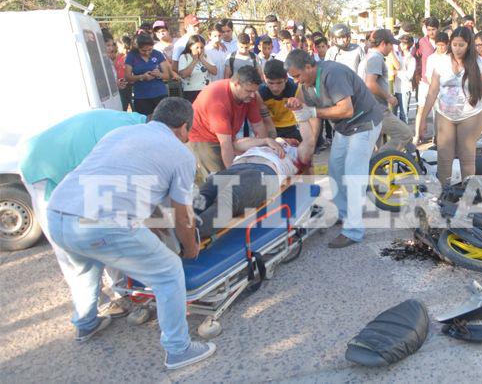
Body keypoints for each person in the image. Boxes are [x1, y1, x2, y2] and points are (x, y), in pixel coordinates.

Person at [45, 98, 216, 369]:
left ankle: (86, 324)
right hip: (102, 222)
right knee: (169, 272)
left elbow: (119, 180)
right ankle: (179, 349)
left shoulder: (121, 134)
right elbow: (182, 215)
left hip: (57, 213)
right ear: (184, 127)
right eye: (188, 131)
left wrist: (147, 218)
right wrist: (190, 248)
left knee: (86, 267)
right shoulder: (180, 153)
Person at [18, 110, 147, 319]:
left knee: (105, 229)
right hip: (41, 167)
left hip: (65, 160)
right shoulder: (127, 137)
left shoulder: (136, 122)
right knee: (67, 245)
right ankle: (88, 313)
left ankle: (121, 289)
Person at [284, 49, 384, 248]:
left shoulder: (333, 73)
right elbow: (314, 118)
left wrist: (311, 111)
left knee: (353, 174)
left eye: (297, 76)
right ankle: (345, 214)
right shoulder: (307, 85)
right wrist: (309, 140)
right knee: (336, 169)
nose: (296, 81)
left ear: (309, 66)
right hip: (344, 128)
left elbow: (346, 109)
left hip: (364, 122)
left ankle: (353, 231)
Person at [194, 119, 319, 238]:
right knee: (202, 197)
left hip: (262, 172)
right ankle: (180, 231)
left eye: (295, 141)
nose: (290, 140)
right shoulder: (263, 145)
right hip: (234, 169)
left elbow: (309, 142)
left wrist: (300, 114)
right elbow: (236, 144)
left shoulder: (294, 153)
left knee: (228, 198)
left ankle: (190, 236)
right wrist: (266, 141)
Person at [417, 27, 482, 185]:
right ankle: (444, 193)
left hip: (471, 115)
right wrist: (422, 120)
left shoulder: (479, 63)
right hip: (445, 115)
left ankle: (467, 194)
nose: (457, 49)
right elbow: (432, 92)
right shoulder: (441, 62)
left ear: (468, 45)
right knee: (444, 157)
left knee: (467, 158)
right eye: (454, 44)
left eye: (461, 45)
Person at [188, 66, 268, 177]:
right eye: (249, 91)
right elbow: (225, 144)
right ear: (236, 84)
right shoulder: (218, 101)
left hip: (227, 136)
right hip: (202, 137)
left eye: (255, 91)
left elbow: (258, 125)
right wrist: (232, 174)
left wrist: (266, 150)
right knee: (219, 180)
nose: (253, 95)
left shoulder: (250, 95)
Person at [357, 29, 413, 152]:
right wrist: (388, 97)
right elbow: (370, 84)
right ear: (383, 44)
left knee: (373, 146)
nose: (392, 48)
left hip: (368, 109)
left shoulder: (368, 57)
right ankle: (378, 161)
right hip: (376, 109)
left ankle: (375, 166)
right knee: (405, 134)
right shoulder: (375, 58)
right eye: (390, 45)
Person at [124, 33, 170, 117]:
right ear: (137, 48)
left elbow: (167, 75)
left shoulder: (158, 54)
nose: (147, 53)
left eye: (150, 49)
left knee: (163, 119)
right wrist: (142, 77)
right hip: (141, 96)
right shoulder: (132, 56)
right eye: (143, 51)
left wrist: (158, 74)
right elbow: (127, 77)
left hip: (159, 93)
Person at [415, 31, 449, 142]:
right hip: (436, 92)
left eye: (442, 45)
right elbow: (429, 76)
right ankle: (437, 137)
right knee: (437, 116)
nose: (440, 48)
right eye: (438, 45)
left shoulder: (451, 57)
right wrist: (436, 89)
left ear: (447, 44)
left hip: (450, 93)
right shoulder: (431, 58)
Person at [260, 59, 302, 141]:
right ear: (264, 78)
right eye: (271, 83)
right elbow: (265, 121)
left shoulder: (296, 89)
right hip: (270, 126)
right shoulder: (260, 93)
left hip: (292, 127)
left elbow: (305, 112)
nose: (275, 88)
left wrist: (298, 103)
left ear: (286, 78)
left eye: (279, 83)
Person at [414, 17, 440, 141]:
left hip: (439, 82)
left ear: (438, 29)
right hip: (424, 81)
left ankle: (437, 136)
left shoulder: (443, 41)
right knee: (421, 108)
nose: (431, 32)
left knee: (437, 110)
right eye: (428, 30)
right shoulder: (422, 42)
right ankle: (417, 135)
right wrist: (417, 74)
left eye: (433, 29)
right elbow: (415, 57)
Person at [178, 35, 217, 103]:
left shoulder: (205, 56)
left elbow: (214, 71)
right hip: (191, 92)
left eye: (202, 47)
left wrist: (202, 60)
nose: (200, 50)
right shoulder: (184, 57)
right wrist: (195, 60)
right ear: (190, 47)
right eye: (197, 48)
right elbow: (183, 75)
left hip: (206, 90)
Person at [395, 34, 416, 122]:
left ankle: (404, 135)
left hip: (404, 89)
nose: (400, 45)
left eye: (403, 43)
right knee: (393, 114)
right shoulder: (397, 55)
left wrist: (397, 72)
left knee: (404, 115)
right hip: (395, 89)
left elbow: (409, 76)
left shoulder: (411, 59)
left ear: (408, 45)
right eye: (400, 43)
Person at [115, 35, 132, 111]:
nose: (118, 48)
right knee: (122, 106)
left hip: (131, 85)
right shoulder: (118, 56)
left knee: (133, 105)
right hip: (121, 85)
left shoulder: (131, 56)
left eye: (119, 46)